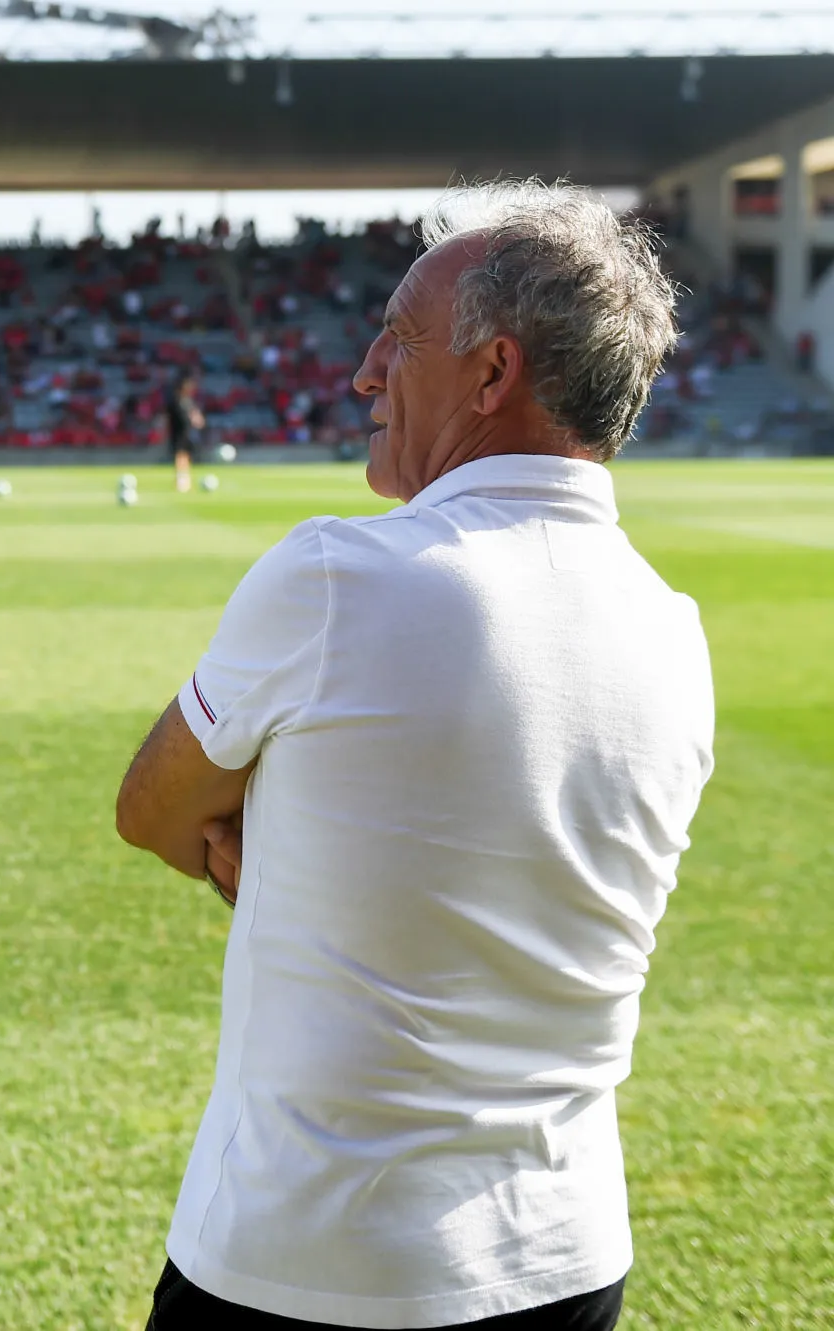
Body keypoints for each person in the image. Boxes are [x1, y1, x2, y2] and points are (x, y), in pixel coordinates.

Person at [115, 182, 713, 1329]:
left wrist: (263, 849)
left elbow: (150, 811)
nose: (362, 372)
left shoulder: (340, 575)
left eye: (396, 336)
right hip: (566, 1258)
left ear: (490, 375)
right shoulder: (673, 629)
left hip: (314, 1264)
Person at [163, 373, 206, 494]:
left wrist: (197, 419)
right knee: (180, 456)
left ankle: (184, 481)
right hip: (178, 432)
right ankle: (181, 482)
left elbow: (196, 418)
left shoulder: (188, 401)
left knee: (185, 456)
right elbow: (171, 418)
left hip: (187, 433)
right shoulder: (176, 401)